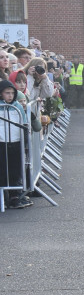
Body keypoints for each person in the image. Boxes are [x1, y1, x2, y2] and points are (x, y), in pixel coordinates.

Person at [0, 79, 32, 209]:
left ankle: (14, 195)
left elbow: (24, 124)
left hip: (15, 142)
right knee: (2, 169)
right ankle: (3, 195)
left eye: (12, 93)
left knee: (15, 169)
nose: (10, 96)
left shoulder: (17, 106)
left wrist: (25, 142)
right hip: (2, 143)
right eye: (7, 93)